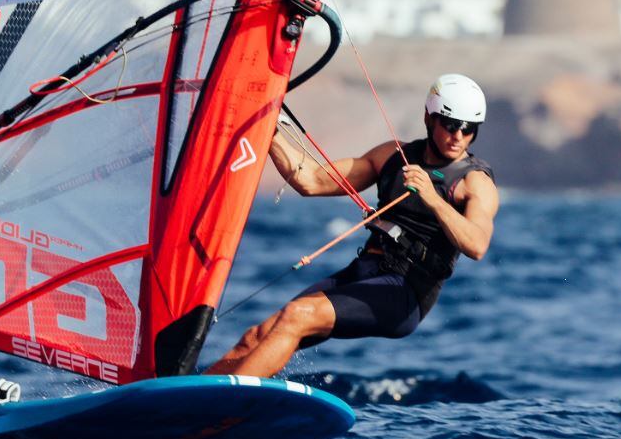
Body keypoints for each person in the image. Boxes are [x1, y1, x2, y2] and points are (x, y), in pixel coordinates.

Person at [205, 73, 499, 377]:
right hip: (364, 271)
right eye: (451, 125)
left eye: (469, 130)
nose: (458, 137)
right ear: (429, 117)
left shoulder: (474, 182)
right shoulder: (393, 156)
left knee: (297, 315)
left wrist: (432, 198)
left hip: (406, 292)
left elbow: (477, 245)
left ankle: (224, 409)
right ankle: (191, 398)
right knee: (258, 335)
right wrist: (266, 127)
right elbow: (312, 181)